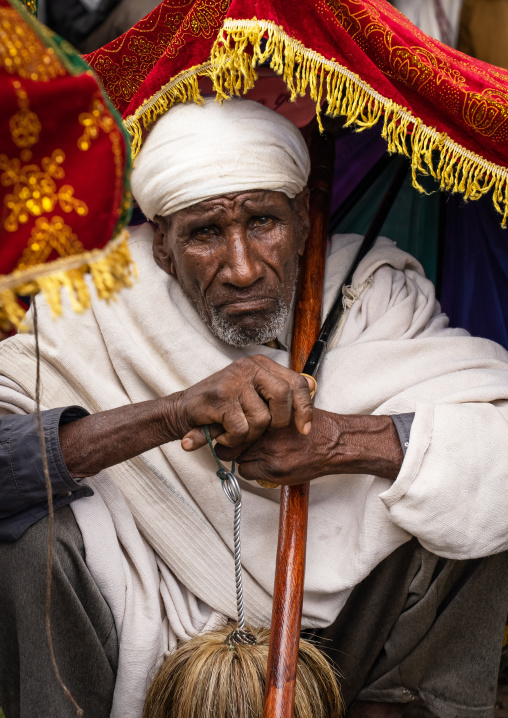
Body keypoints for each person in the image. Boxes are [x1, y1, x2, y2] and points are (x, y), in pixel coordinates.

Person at [1, 98, 508, 718]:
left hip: (339, 637)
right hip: (138, 617)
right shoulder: (92, 305)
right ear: (161, 244)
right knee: (29, 532)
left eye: (263, 223)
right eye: (206, 233)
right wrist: (173, 412)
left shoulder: (374, 291)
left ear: (300, 220)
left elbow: (494, 438)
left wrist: (336, 444)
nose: (241, 269)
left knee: (470, 477)